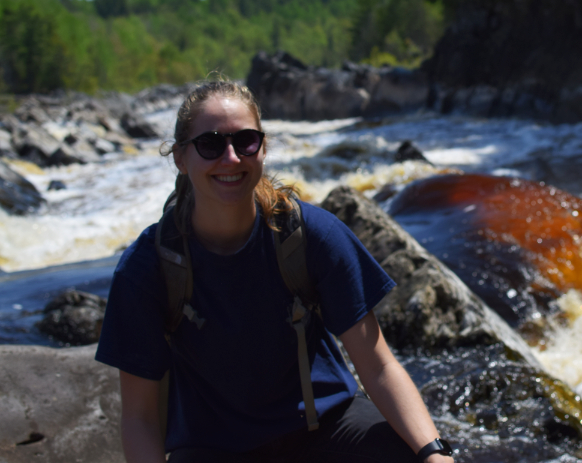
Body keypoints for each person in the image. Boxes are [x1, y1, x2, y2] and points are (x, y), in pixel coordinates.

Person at [95, 80, 454, 463]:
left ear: (263, 148)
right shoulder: (147, 267)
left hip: (325, 427)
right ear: (181, 158)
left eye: (245, 141)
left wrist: (433, 452)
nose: (231, 158)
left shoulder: (309, 235)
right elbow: (139, 417)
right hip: (214, 449)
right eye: (211, 144)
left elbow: (378, 365)